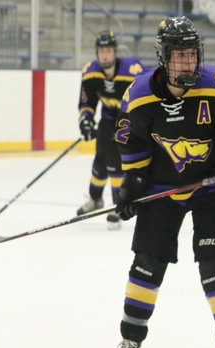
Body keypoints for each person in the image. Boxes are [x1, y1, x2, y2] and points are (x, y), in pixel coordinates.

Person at [109, 16, 215, 348]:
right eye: (179, 56)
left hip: (211, 188)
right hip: (162, 188)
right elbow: (133, 144)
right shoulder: (138, 97)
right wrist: (133, 183)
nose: (188, 63)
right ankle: (131, 344)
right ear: (164, 58)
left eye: (192, 55)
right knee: (147, 263)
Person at [76, 30, 145, 230]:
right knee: (100, 161)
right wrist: (86, 120)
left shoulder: (132, 70)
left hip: (128, 122)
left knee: (115, 162)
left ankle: (118, 204)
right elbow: (86, 101)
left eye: (108, 50)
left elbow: (147, 92)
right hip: (107, 121)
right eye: (101, 51)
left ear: (115, 51)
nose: (105, 55)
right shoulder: (91, 72)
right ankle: (96, 199)